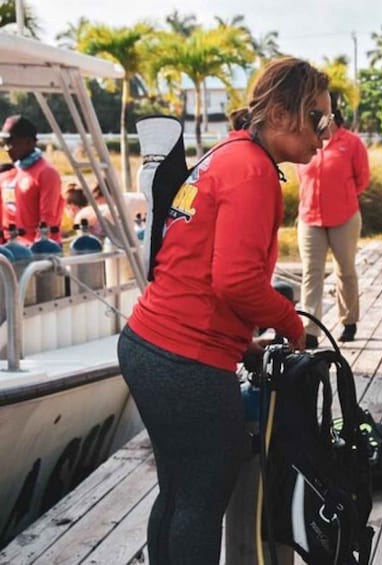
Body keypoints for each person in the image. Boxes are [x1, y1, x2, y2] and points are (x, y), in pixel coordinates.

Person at [116, 57, 331, 564]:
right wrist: (288, 320)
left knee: (178, 490)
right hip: (182, 358)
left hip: (148, 344)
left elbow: (201, 269)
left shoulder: (229, 154)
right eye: (317, 119)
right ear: (280, 114)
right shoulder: (253, 172)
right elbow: (234, 281)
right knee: (203, 491)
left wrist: (241, 339)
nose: (325, 134)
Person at [296, 92, 370, 347]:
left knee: (345, 270)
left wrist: (341, 197)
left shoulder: (351, 143)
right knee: (311, 273)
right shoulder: (305, 142)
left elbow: (362, 179)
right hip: (309, 218)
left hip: (344, 218)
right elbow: (300, 176)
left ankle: (349, 321)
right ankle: (310, 330)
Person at [0, 115, 64, 243]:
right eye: (4, 144)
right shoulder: (8, 173)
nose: (7, 149)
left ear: (29, 142)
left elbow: (47, 218)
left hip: (36, 251)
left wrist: (38, 249)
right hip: (11, 248)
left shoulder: (46, 172)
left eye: (12, 144)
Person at [73, 182, 148, 237]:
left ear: (106, 195)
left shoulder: (125, 205)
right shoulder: (125, 199)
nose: (99, 205)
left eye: (99, 201)